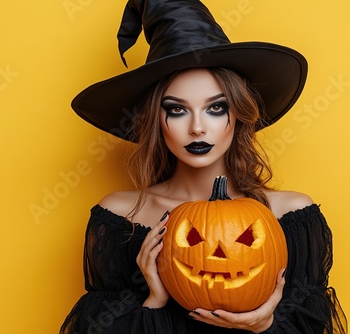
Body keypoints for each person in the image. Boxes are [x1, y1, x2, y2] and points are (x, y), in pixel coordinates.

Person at [60, 0, 347, 333]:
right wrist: (155, 300)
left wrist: (263, 325)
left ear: (238, 115)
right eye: (177, 110)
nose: (197, 127)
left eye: (215, 108)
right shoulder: (120, 217)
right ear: (157, 121)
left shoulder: (291, 215)